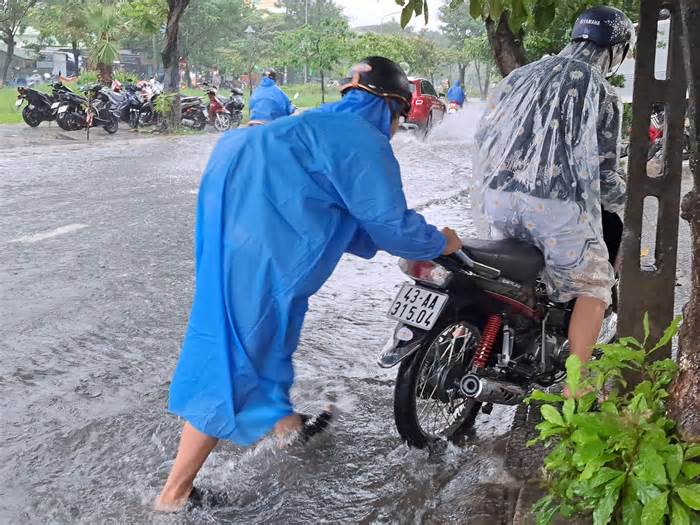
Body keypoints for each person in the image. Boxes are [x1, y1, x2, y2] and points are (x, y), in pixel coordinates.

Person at [155, 56, 464, 511]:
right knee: (236, 352)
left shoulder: (313, 123)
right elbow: (388, 223)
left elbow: (344, 213)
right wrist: (439, 240)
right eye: (399, 119)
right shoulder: (362, 140)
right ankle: (174, 495)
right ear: (391, 107)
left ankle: (285, 425)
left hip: (232, 229)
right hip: (262, 250)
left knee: (271, 336)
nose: (397, 129)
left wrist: (385, 238)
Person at [473, 6, 634, 395]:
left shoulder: (521, 76)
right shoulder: (600, 90)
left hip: (497, 198)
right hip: (553, 211)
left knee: (525, 274)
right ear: (615, 50)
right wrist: (633, 195)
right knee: (595, 285)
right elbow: (603, 174)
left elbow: (485, 138)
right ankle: (576, 385)